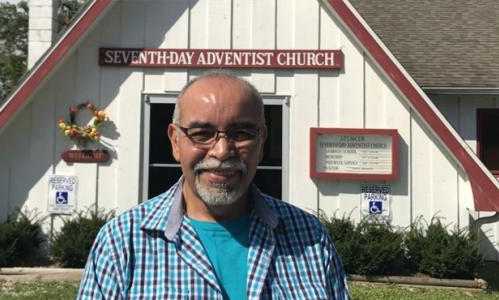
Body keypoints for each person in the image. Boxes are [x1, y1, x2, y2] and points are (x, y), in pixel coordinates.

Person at [78, 71, 349, 299]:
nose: (221, 151)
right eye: (202, 134)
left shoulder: (311, 238)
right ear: (175, 141)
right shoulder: (122, 243)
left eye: (241, 133)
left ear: (262, 141)